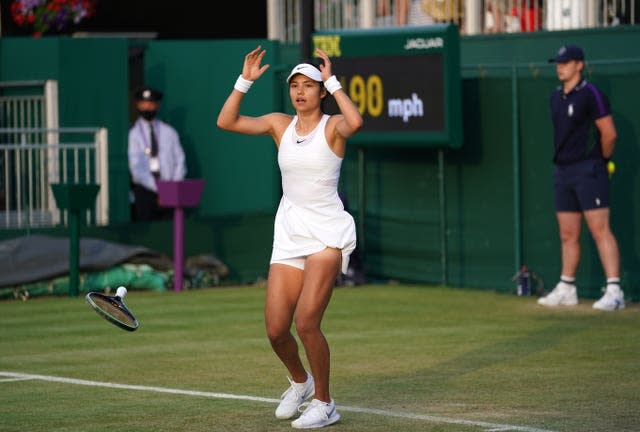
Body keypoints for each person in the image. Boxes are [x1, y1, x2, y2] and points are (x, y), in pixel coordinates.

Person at [216, 46, 363, 428]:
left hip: (327, 234)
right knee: (276, 328)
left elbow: (356, 122)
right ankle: (300, 381)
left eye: (309, 86)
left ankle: (325, 403)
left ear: (321, 92)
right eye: (294, 85)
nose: (300, 92)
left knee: (307, 322)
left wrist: (332, 79)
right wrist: (245, 80)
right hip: (289, 232)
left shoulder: (333, 127)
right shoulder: (279, 124)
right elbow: (226, 121)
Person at [538, 44, 624, 311]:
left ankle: (614, 290)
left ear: (579, 65)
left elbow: (609, 134)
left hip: (589, 169)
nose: (560, 66)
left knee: (599, 230)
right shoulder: (555, 97)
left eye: (565, 62)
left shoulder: (591, 95)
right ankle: (567, 287)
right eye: (558, 63)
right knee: (567, 233)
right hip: (563, 171)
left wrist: (601, 161)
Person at [128, 87, 186, 221]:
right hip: (145, 191)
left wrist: (171, 188)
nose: (147, 107)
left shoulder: (169, 132)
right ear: (138, 105)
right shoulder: (134, 134)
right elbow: (137, 169)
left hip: (171, 190)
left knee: (171, 229)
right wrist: (159, 189)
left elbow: (180, 161)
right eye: (144, 103)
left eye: (151, 103)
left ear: (157, 105)